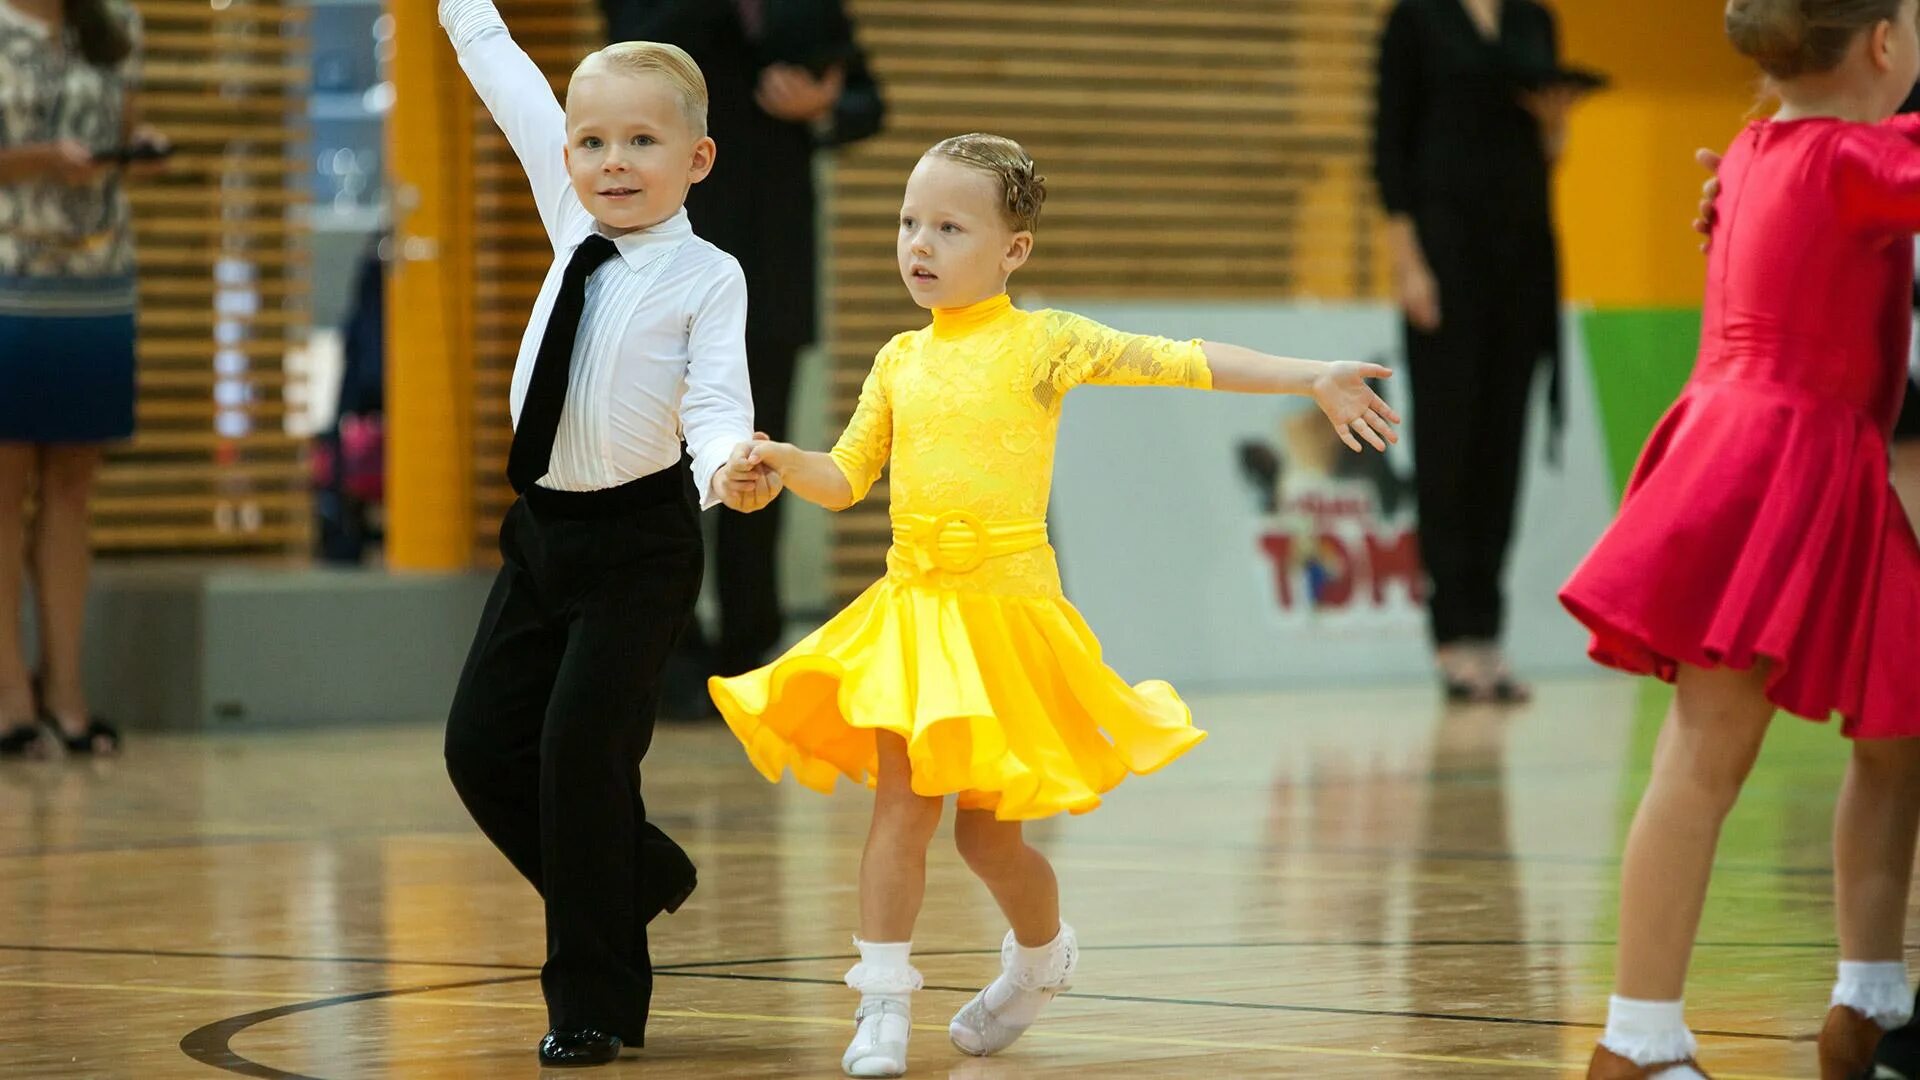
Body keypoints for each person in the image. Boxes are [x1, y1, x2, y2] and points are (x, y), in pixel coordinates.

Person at [713, 133, 1400, 1078]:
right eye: (910, 222)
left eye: (950, 227)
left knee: (990, 837)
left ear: (1013, 251)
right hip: (915, 616)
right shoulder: (898, 360)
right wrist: (791, 464)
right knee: (901, 814)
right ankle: (880, 1001)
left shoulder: (1046, 344)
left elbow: (1184, 360)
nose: (921, 243)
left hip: (1008, 616)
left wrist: (1308, 375)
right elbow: (844, 477)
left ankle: (1041, 961)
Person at [1560, 2, 1920, 1075]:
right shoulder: (1857, 162)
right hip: (1776, 468)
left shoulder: (1761, 149)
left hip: (1793, 458)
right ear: (1884, 46)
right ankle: (1639, 1037)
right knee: (1707, 755)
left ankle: (1869, 995)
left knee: (1899, 731)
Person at [434, 0, 773, 1064]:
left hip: (640, 548)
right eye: (592, 142)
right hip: (541, 537)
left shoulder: (707, 276)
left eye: (641, 142)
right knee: (482, 749)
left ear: (697, 157)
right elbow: (499, 68)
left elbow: (716, 406)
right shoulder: (570, 220)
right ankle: (639, 872)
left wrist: (731, 467)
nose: (611, 162)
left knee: (582, 758)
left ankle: (592, 1004)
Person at [600, 0, 885, 713]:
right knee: (660, 466)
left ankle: (747, 652)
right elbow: (634, 51)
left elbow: (865, 98)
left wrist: (824, 102)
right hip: (670, 259)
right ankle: (666, 653)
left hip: (771, 260)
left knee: (758, 459)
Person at [1372, 0, 1585, 702]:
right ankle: (1452, 634)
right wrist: (1409, 263)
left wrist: (1556, 121)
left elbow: (1546, 153)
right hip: (1445, 250)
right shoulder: (1416, 19)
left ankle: (1489, 636)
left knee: (1503, 443)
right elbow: (1389, 148)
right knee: (1449, 441)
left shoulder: (1534, 20)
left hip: (1522, 251)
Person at [0, 0, 167, 758]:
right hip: (9, 276)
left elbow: (122, 125)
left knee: (73, 489)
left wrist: (142, 147)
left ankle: (67, 689)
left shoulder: (113, 23)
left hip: (98, 278)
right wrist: (38, 159)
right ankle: (9, 694)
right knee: (3, 488)